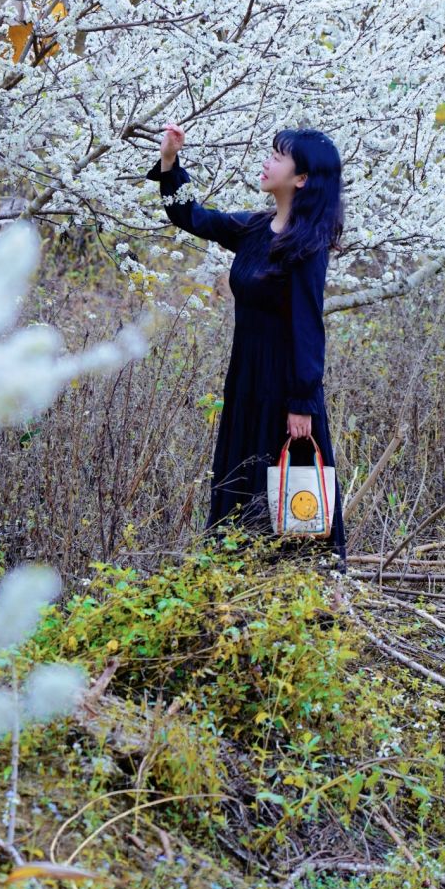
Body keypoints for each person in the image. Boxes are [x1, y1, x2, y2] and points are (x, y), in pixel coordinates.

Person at [146, 123, 346, 568]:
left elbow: (309, 325)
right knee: (243, 478)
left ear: (302, 179)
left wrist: (302, 401)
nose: (267, 161)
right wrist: (169, 161)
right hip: (246, 381)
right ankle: (235, 578)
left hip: (284, 389)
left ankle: (302, 588)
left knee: (290, 490)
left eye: (278, 156)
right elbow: (191, 217)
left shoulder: (307, 246)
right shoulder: (255, 228)